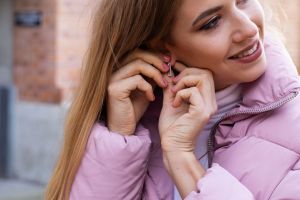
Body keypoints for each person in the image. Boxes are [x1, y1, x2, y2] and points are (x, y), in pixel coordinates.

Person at [45, 0, 300, 199]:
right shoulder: (138, 129)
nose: (248, 28)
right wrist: (120, 137)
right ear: (162, 48)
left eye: (242, 0)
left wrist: (182, 159)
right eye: (212, 22)